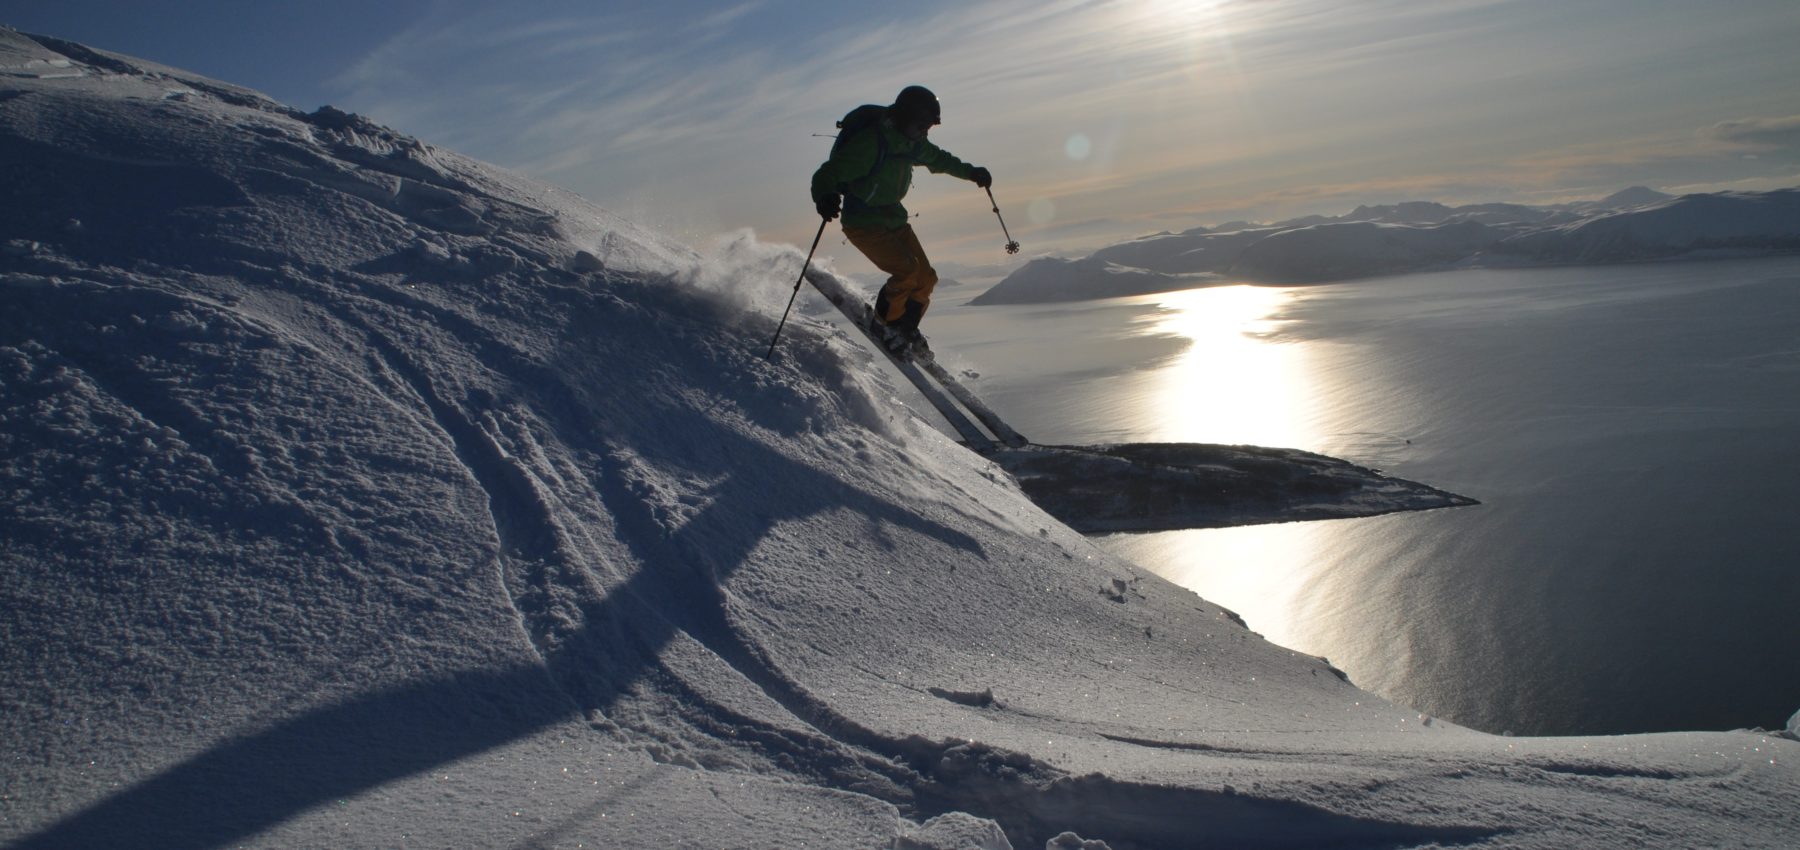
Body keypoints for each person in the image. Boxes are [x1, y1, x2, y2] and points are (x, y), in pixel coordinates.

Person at [811, 85, 991, 355]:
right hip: (863, 222)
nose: (924, 132)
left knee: (926, 278)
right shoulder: (872, 143)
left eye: (928, 127)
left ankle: (906, 327)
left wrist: (971, 172)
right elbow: (828, 174)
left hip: (893, 217)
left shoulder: (913, 143)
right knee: (906, 271)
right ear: (906, 117)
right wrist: (824, 197)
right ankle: (886, 325)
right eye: (922, 125)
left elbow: (940, 160)